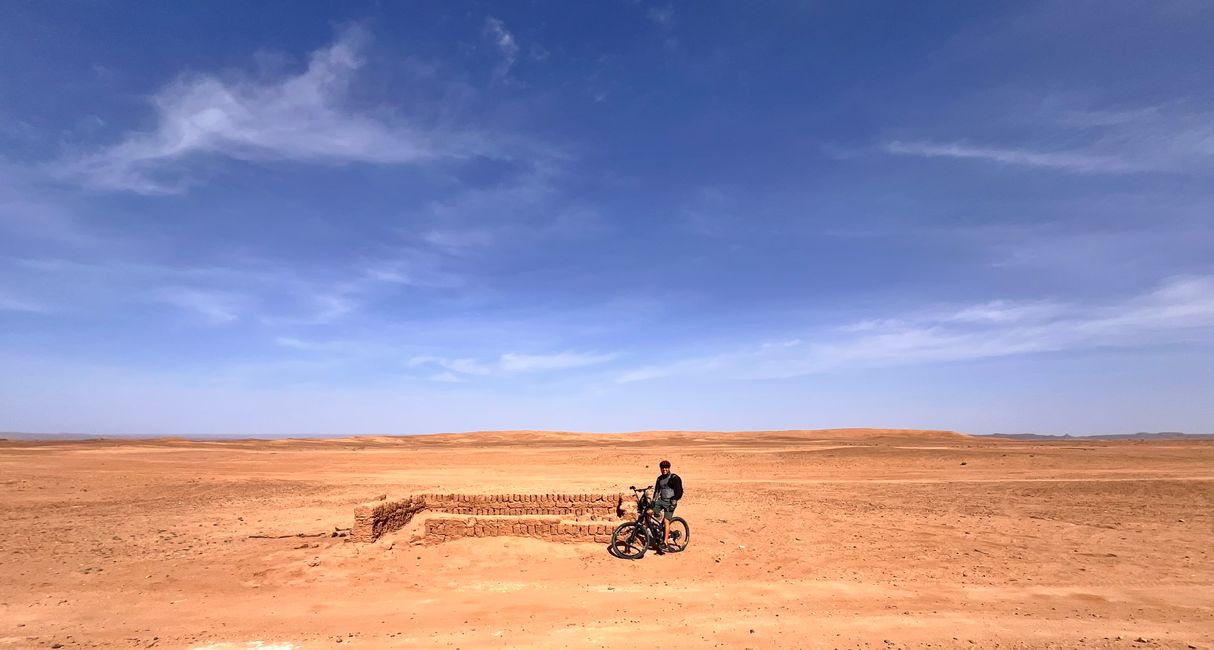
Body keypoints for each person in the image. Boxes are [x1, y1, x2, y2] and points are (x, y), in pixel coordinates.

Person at [651, 459, 683, 552]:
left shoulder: (674, 478)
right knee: (649, 512)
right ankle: (652, 531)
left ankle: (665, 543)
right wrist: (653, 500)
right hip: (661, 500)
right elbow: (657, 491)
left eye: (666, 468)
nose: (664, 469)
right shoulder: (659, 479)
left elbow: (679, 491)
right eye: (662, 468)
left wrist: (674, 499)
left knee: (666, 521)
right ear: (660, 469)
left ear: (669, 468)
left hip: (670, 502)